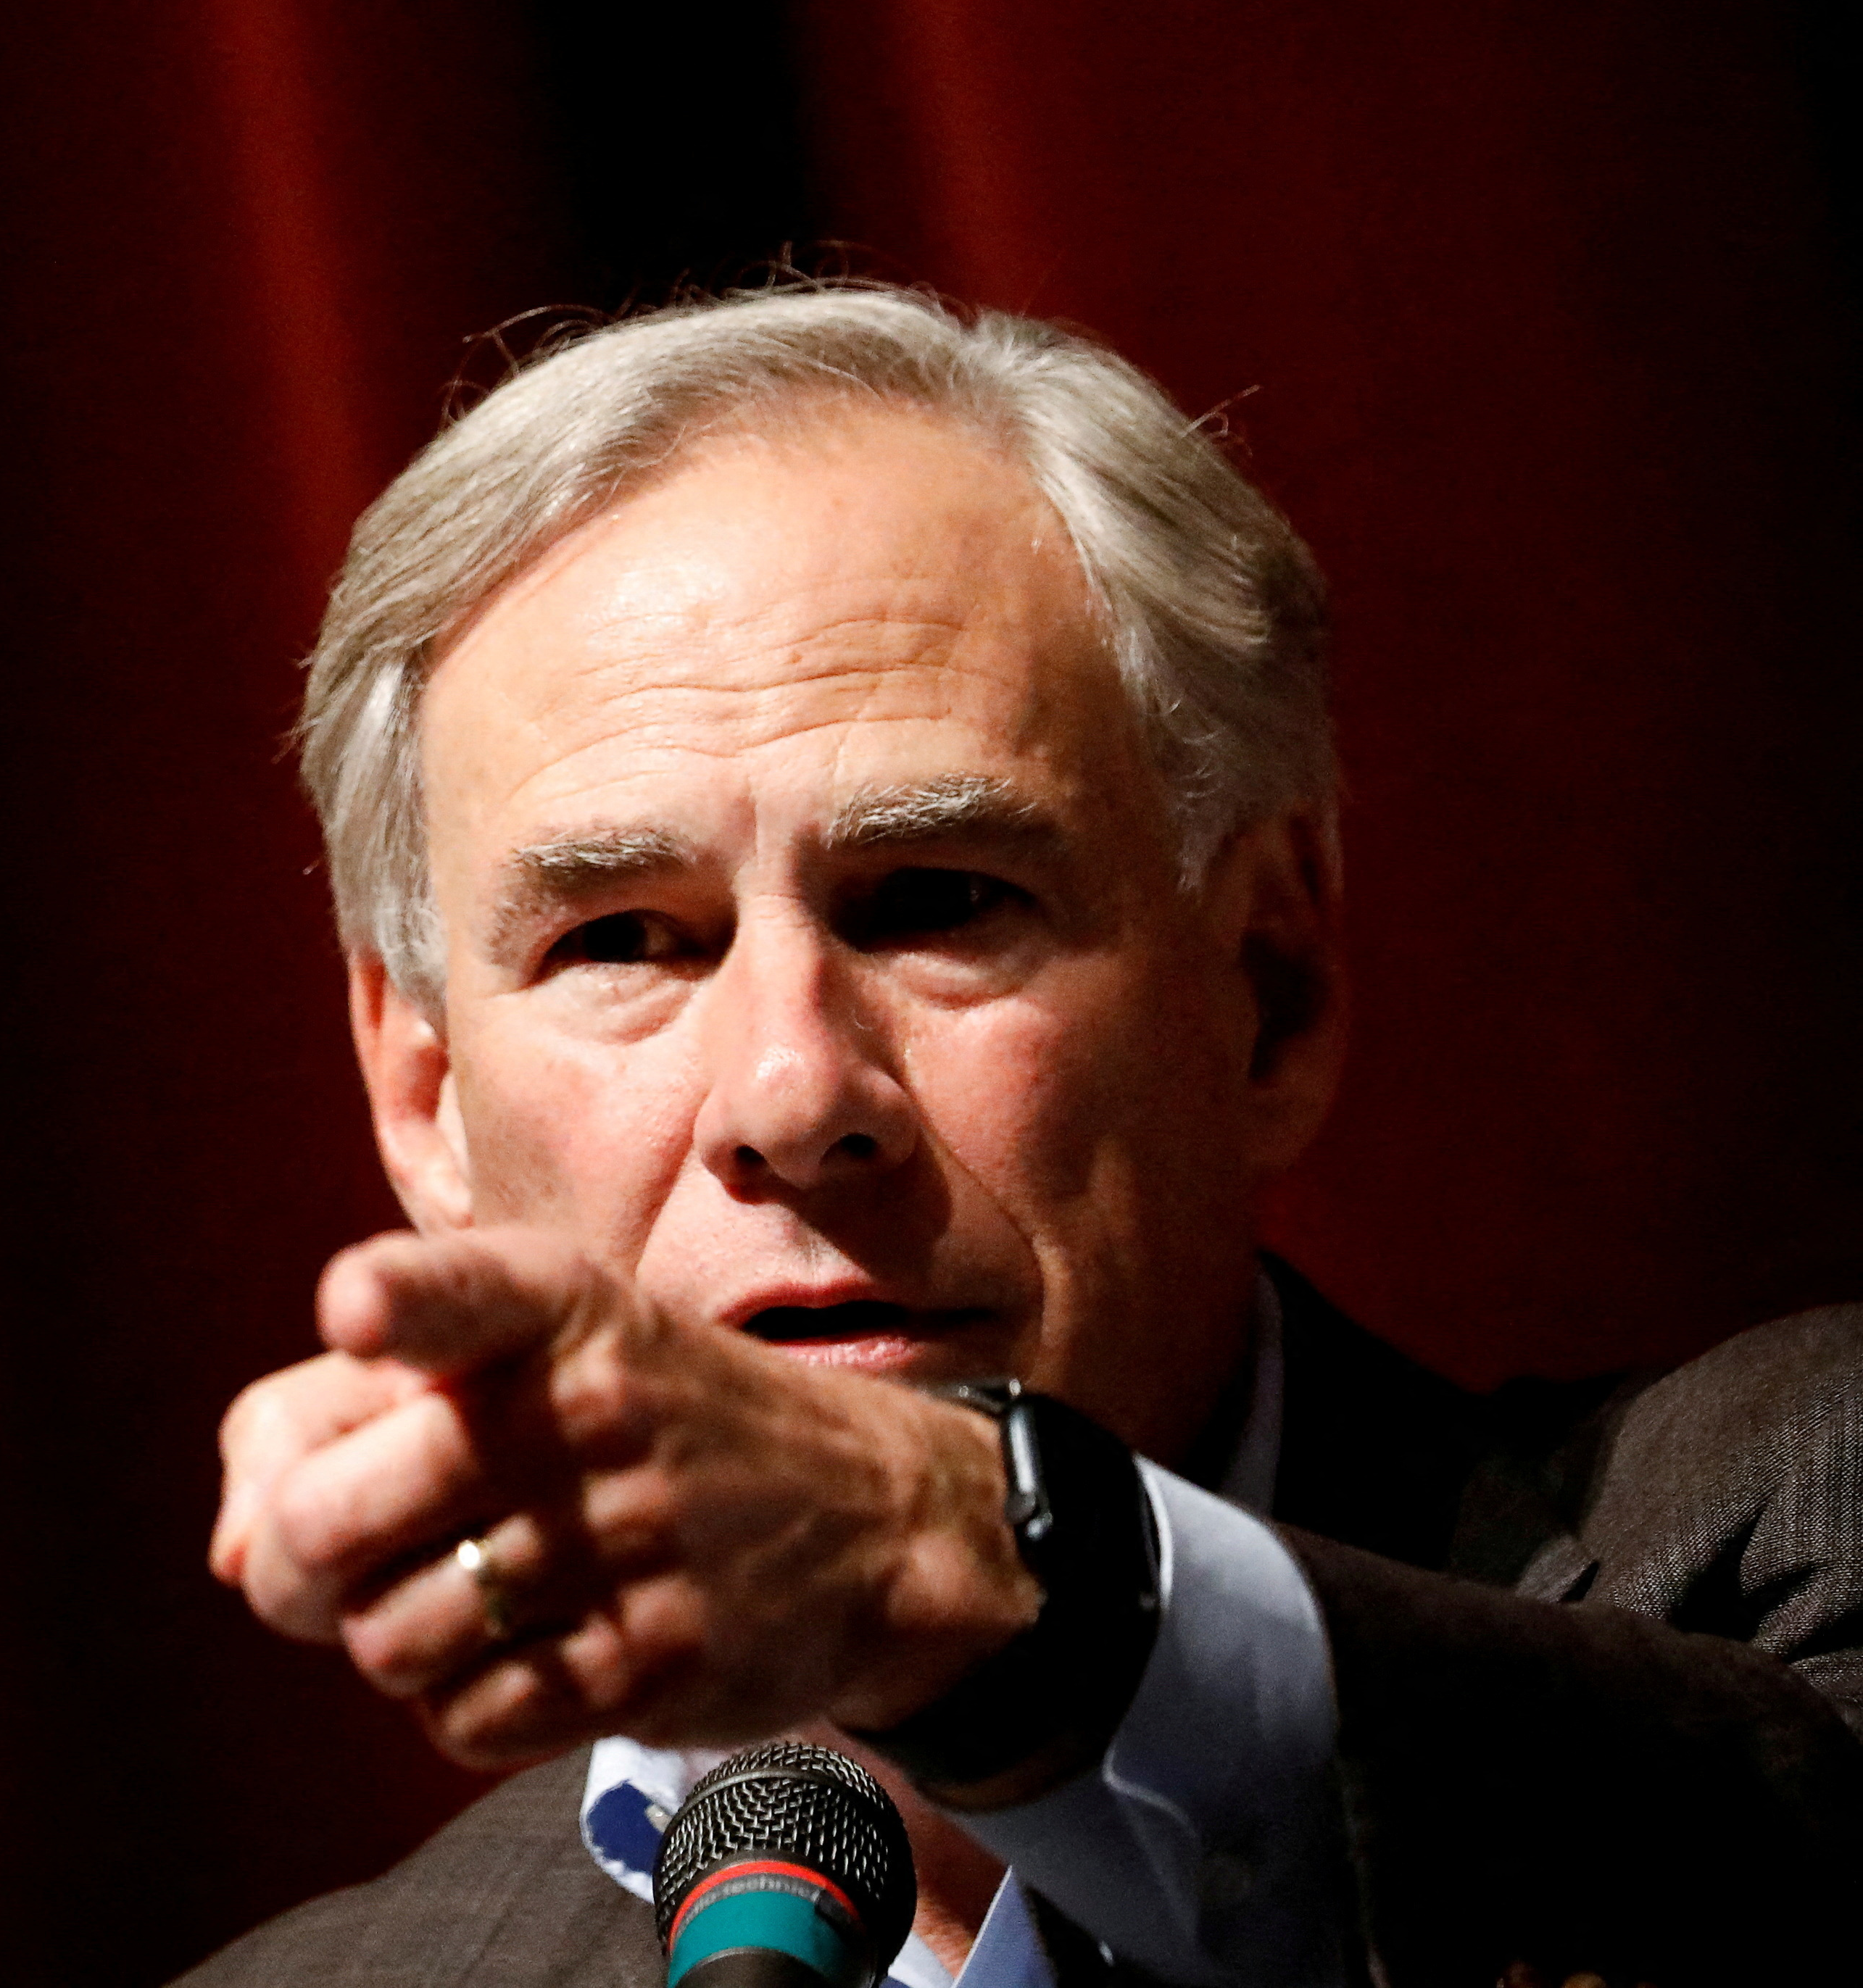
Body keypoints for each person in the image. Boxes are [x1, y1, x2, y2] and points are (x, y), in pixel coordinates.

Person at [183, 286, 1863, 1988]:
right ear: (421, 1091)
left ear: (1263, 989)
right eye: (619, 936)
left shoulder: (1806, 1525)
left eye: (932, 901)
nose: (791, 1095)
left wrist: (958, 1560)